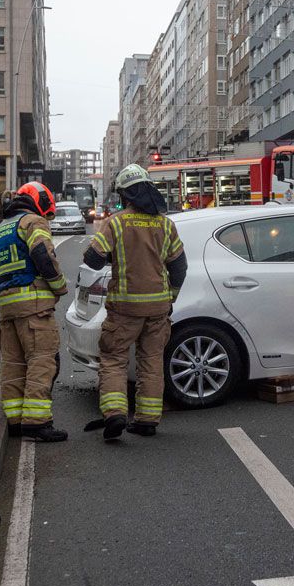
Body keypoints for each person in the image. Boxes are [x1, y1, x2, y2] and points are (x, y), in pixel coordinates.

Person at [83, 164, 188, 441]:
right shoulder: (166, 225)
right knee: (152, 361)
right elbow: (179, 268)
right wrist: (171, 299)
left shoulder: (116, 223)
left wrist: (113, 255)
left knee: (114, 359)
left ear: (125, 195)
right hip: (158, 309)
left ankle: (115, 413)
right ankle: (147, 420)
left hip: (124, 309)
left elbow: (92, 260)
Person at [0, 182, 69, 442]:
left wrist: (1, 302)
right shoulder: (33, 223)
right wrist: (60, 288)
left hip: (6, 306)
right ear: (39, 200)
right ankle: (36, 422)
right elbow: (43, 256)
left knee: (13, 363)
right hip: (34, 306)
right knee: (41, 361)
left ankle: (15, 421)